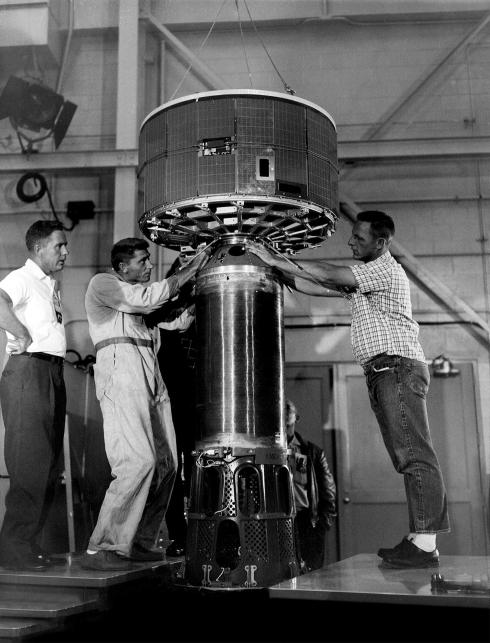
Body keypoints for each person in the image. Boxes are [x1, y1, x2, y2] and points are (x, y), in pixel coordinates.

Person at [251, 210, 449, 569]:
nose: (350, 241)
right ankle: (421, 539)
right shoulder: (365, 281)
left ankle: (425, 542)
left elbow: (328, 272)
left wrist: (276, 258)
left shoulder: (385, 269)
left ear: (381, 242)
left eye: (358, 237)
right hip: (384, 370)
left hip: (397, 366)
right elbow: (317, 284)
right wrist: (276, 270)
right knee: (406, 455)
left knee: (415, 454)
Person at [80, 238, 208, 571]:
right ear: (122, 266)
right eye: (142, 261)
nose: (149, 266)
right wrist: (190, 269)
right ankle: (103, 545)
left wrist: (202, 286)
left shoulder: (142, 306)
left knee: (166, 464)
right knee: (136, 461)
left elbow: (175, 320)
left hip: (150, 372)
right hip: (120, 370)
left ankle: (136, 540)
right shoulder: (105, 284)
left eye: (149, 260)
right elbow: (146, 298)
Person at [0, 220, 69, 571]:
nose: (65, 252)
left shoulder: (49, 286)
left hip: (52, 374)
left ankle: (30, 545)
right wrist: (21, 333)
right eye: (59, 245)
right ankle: (13, 551)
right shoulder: (22, 278)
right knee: (29, 466)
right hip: (28, 372)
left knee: (49, 467)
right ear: (39, 247)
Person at [154, 250, 198, 558]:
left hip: (202, 395)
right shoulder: (163, 303)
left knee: (198, 465)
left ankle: (202, 532)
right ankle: (179, 535)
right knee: (174, 465)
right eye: (184, 258)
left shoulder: (209, 302)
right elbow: (172, 321)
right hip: (174, 395)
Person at [286, 399, 337, 572]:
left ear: (296, 420)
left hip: (306, 523)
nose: (285, 430)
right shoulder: (264, 451)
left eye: (288, 425)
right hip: (276, 522)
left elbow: (328, 491)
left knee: (311, 577)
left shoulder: (312, 452)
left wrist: (323, 524)